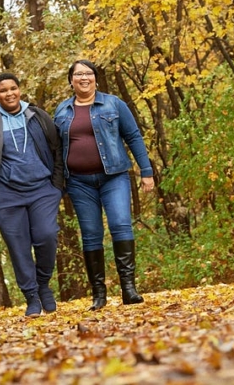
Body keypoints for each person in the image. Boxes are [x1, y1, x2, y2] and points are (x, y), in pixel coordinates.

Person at [53, 59, 155, 311]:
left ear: (96, 78)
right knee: (91, 235)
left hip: (114, 176)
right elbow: (54, 148)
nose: (84, 78)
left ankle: (129, 289)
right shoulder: (62, 111)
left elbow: (133, 136)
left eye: (88, 73)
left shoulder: (114, 104)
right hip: (78, 183)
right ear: (71, 80)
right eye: (78, 74)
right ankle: (99, 295)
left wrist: (146, 171)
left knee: (121, 225)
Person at [0, 72, 63, 317]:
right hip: (6, 196)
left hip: (42, 189)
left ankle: (43, 284)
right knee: (18, 246)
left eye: (13, 88)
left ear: (19, 90)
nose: (9, 93)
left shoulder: (37, 115)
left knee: (47, 235)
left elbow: (57, 147)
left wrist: (56, 184)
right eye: (3, 90)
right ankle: (31, 296)